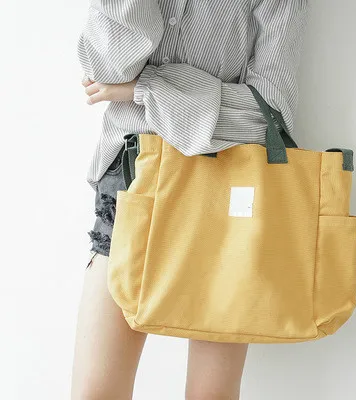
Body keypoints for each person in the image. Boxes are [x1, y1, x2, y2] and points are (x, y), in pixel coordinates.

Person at [71, 1, 309, 398]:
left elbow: (269, 112)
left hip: (228, 190)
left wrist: (147, 89)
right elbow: (106, 73)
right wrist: (174, 94)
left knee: (211, 395)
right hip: (133, 177)